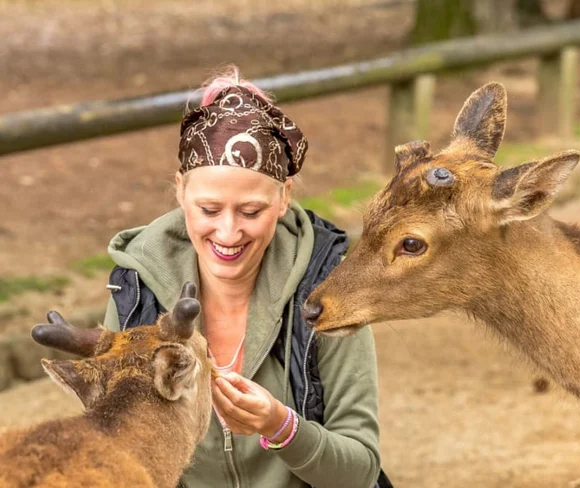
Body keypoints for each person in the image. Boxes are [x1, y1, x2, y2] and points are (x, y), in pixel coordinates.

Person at [101, 66, 391, 488]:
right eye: (209, 209)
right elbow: (112, 458)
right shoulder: (134, 293)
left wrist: (283, 428)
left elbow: (359, 473)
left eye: (251, 211)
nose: (228, 232)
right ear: (181, 191)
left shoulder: (328, 287)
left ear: (284, 197)